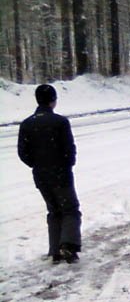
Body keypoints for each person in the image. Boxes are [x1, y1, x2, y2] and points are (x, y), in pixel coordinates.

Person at [17, 84, 82, 264]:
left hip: (41, 175)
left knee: (53, 211)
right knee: (70, 209)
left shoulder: (27, 124)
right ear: (53, 101)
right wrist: (66, 164)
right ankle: (68, 245)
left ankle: (55, 250)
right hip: (61, 173)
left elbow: (23, 153)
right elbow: (69, 149)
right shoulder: (60, 122)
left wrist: (37, 164)